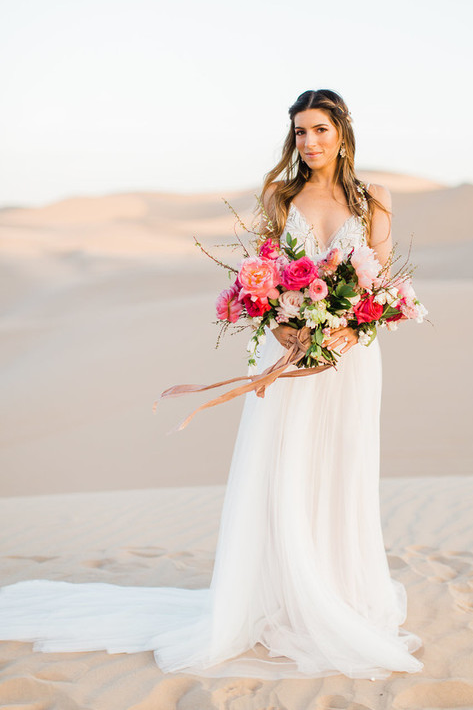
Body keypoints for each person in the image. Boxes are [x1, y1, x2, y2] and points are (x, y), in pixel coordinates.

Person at [0, 89, 423, 680]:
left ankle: (341, 591)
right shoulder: (282, 196)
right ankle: (283, 595)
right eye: (300, 131)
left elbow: (377, 282)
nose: (310, 141)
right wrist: (279, 325)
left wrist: (351, 331)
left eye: (320, 129)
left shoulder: (374, 199)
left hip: (349, 360)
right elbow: (266, 276)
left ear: (343, 133)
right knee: (285, 466)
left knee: (342, 466)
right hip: (286, 354)